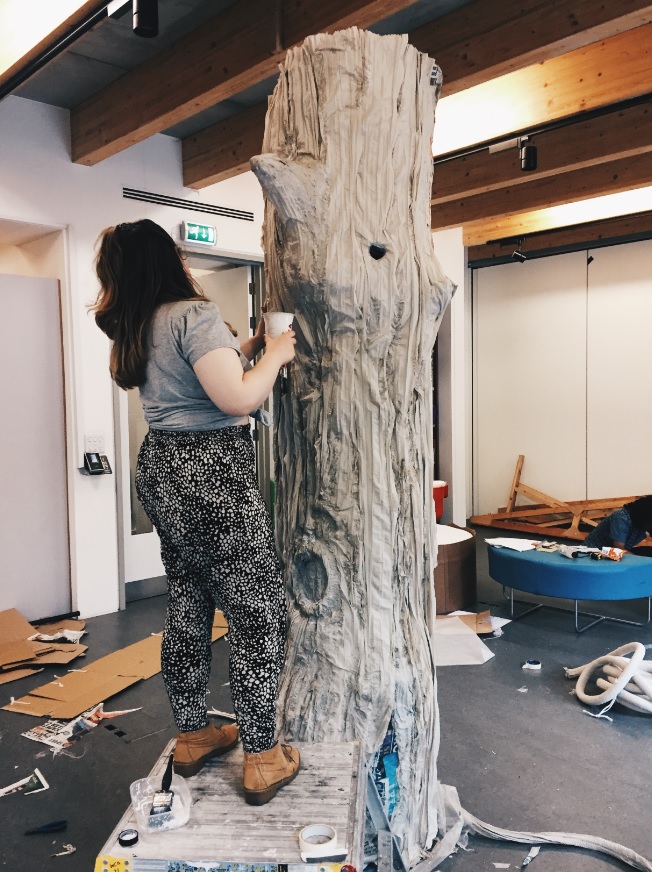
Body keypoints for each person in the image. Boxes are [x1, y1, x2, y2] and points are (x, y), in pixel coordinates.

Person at [92, 219, 299, 805]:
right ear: (169, 259)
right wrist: (279, 353)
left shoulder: (139, 325)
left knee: (188, 597)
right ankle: (261, 756)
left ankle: (192, 734)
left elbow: (204, 376)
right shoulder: (191, 314)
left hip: (162, 466)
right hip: (211, 470)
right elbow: (235, 397)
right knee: (256, 608)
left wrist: (250, 348)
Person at [584, 496, 652, 553]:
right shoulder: (621, 518)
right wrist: (639, 561)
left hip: (613, 553)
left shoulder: (643, 520)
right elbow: (618, 549)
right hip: (593, 553)